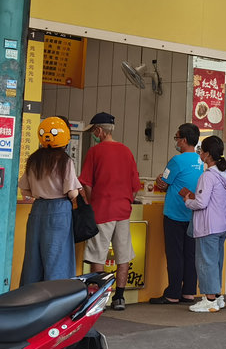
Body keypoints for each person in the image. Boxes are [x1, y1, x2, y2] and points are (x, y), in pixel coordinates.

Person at [78, 112, 141, 311]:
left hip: (102, 211)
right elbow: (135, 185)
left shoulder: (95, 152)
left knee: (98, 255)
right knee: (123, 255)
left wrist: (91, 200)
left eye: (94, 131)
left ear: (99, 131)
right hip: (123, 211)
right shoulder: (126, 151)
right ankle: (120, 298)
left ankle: (99, 298)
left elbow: (86, 183)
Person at [18, 117, 81, 283]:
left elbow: (24, 188)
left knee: (33, 259)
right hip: (59, 210)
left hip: (37, 209)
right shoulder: (65, 161)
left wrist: (40, 192)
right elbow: (72, 193)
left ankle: (29, 301)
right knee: (57, 260)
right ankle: (55, 301)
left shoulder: (33, 160)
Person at [180, 136, 226, 313]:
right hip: (223, 225)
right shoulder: (225, 175)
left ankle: (209, 299)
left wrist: (188, 200)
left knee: (205, 263)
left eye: (201, 151)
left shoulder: (208, 176)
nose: (200, 154)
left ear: (208, 155)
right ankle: (217, 297)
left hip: (208, 226)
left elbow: (201, 203)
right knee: (216, 261)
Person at [150, 123, 202, 305]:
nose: (176, 141)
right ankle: (188, 292)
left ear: (184, 140)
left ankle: (172, 293)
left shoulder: (177, 161)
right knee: (190, 254)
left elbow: (163, 183)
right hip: (194, 214)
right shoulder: (201, 160)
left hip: (175, 214)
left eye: (177, 138)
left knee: (175, 254)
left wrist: (159, 179)